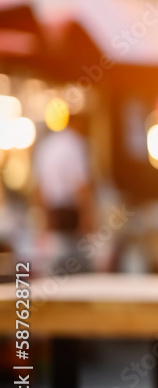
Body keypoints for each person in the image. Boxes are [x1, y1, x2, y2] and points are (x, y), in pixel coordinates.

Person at [32, 115, 93, 272]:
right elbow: (81, 184)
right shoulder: (75, 144)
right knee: (76, 263)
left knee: (55, 262)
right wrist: (87, 218)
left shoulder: (46, 145)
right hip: (71, 213)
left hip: (52, 210)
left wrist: (46, 218)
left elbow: (39, 187)